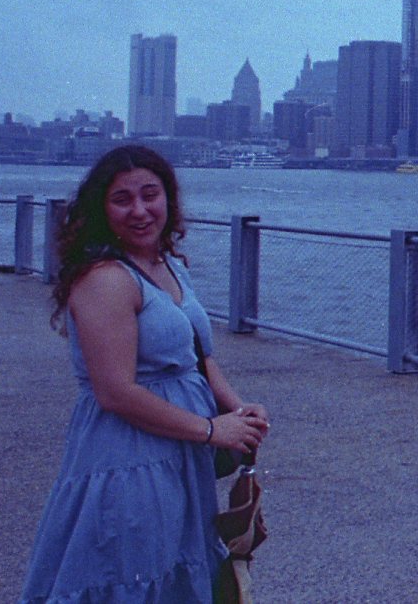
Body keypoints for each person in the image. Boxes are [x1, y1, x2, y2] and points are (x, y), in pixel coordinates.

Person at [20, 145, 269, 603]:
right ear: (101, 209)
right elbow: (115, 392)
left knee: (172, 570)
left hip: (180, 453)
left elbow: (200, 359)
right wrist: (211, 429)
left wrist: (237, 411)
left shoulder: (167, 266)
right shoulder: (105, 278)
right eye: (122, 199)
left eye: (150, 195)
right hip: (128, 457)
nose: (139, 210)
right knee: (131, 572)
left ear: (169, 199)